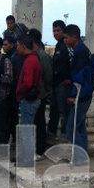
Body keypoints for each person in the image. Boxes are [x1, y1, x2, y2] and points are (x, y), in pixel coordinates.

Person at [63, 25, 93, 165]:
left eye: (66, 37)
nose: (64, 40)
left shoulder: (80, 53)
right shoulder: (82, 50)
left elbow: (80, 78)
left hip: (81, 96)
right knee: (80, 127)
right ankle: (83, 155)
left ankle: (81, 157)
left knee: (71, 128)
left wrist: (73, 95)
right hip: (84, 94)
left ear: (74, 37)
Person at [15, 34, 42, 166]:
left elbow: (28, 82)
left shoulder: (30, 60)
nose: (17, 49)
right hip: (30, 98)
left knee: (26, 131)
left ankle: (28, 159)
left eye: (18, 46)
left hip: (29, 99)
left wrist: (18, 91)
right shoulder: (31, 59)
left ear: (23, 47)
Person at [29, 28, 52, 157]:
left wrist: (47, 90)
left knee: (39, 122)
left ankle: (40, 149)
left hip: (39, 93)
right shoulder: (32, 54)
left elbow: (47, 75)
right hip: (33, 94)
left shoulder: (41, 55)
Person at [47, 20, 72, 140]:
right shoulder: (58, 45)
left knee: (63, 110)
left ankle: (65, 133)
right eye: (54, 31)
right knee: (54, 109)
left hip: (62, 83)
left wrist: (69, 79)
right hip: (55, 83)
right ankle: (51, 132)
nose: (55, 33)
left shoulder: (66, 47)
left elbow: (69, 65)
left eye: (58, 30)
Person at [2, 36, 22, 145]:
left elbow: (16, 75)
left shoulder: (15, 56)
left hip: (13, 91)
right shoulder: (7, 56)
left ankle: (14, 139)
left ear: (12, 45)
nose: (4, 47)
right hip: (9, 92)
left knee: (13, 117)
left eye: (6, 45)